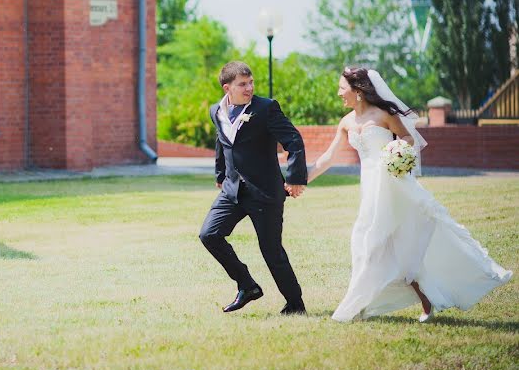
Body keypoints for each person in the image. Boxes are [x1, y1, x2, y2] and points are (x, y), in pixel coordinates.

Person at [308, 66, 512, 322]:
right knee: (370, 242)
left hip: (393, 185)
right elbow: (327, 157)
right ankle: (377, 303)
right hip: (370, 187)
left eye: (342, 88)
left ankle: (358, 307)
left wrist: (395, 152)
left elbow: (408, 138)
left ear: (358, 90)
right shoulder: (347, 122)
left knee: (386, 242)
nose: (339, 93)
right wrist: (301, 180)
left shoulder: (384, 115)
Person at [199, 61, 309, 315]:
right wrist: (220, 174)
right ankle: (247, 285)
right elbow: (222, 142)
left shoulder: (266, 108)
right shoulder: (217, 110)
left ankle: (295, 303)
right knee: (209, 235)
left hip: (265, 192)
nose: (249, 88)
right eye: (242, 84)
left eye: (251, 83)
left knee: (271, 251)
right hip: (232, 190)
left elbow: (293, 139)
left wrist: (294, 178)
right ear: (228, 88)